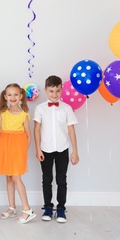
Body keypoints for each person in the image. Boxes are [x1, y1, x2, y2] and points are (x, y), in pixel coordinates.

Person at [33, 75, 79, 223]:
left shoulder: (66, 108)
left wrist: (75, 151)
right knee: (47, 179)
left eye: (57, 91)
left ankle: (61, 208)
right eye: (51, 91)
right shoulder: (40, 108)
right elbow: (36, 129)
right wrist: (38, 149)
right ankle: (47, 207)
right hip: (45, 149)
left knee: (61, 180)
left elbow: (71, 130)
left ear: (61, 90)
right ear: (46, 90)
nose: (54, 94)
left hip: (62, 148)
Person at [0, 83, 36, 224]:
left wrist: (24, 150)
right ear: (5, 97)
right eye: (9, 94)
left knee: (16, 178)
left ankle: (27, 210)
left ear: (21, 96)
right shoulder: (2, 113)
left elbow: (28, 135)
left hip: (18, 149)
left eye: (15, 94)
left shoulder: (24, 115)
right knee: (9, 178)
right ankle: (12, 207)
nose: (12, 97)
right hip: (4, 147)